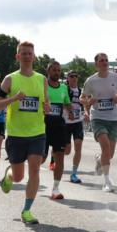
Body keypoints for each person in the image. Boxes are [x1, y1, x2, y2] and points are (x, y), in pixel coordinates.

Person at [0, 41, 50, 225]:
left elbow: (45, 103)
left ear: (34, 56)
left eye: (29, 53)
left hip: (37, 132)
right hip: (16, 134)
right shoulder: (10, 79)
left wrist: (47, 107)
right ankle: (10, 174)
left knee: (34, 168)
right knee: (18, 177)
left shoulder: (42, 79)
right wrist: (14, 98)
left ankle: (27, 210)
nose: (26, 56)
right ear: (17, 56)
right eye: (23, 53)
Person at [82, 53, 117, 192]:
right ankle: (107, 182)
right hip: (98, 118)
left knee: (109, 154)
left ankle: (100, 159)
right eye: (102, 61)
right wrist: (88, 102)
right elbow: (82, 98)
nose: (105, 62)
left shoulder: (115, 77)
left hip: (113, 118)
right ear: (96, 64)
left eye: (106, 60)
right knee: (106, 147)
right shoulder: (91, 81)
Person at [44, 61, 72, 199]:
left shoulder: (63, 87)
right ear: (48, 71)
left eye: (58, 70)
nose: (56, 72)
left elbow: (66, 103)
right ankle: (33, 179)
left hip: (59, 126)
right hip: (43, 126)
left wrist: (71, 111)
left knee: (60, 157)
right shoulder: (42, 86)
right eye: (54, 70)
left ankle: (55, 189)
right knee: (41, 158)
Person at [64, 70, 87, 184]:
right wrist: (69, 111)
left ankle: (73, 174)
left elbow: (85, 103)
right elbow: (61, 102)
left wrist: (87, 113)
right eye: (71, 76)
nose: (74, 78)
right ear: (67, 78)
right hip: (66, 123)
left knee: (78, 147)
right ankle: (55, 155)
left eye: (75, 76)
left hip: (77, 122)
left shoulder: (81, 91)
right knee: (67, 151)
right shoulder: (64, 89)